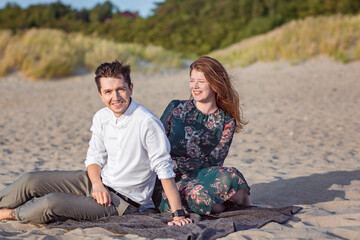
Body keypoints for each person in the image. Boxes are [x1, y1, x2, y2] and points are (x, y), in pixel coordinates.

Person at [0, 60, 192, 226]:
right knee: (30, 180)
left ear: (130, 88)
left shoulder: (147, 122)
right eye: (108, 92)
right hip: (98, 182)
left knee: (51, 202)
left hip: (124, 202)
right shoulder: (101, 117)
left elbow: (163, 168)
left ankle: (10, 214)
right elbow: (94, 156)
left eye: (120, 90)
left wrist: (178, 213)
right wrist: (97, 184)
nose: (115, 97)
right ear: (100, 94)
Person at [154, 56, 251, 216]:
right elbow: (156, 145)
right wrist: (173, 165)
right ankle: (222, 206)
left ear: (216, 84)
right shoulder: (176, 108)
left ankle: (245, 204)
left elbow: (214, 162)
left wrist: (184, 164)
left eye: (202, 81)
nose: (195, 86)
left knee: (232, 175)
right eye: (192, 80)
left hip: (202, 176)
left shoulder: (226, 121)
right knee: (198, 196)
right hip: (168, 178)